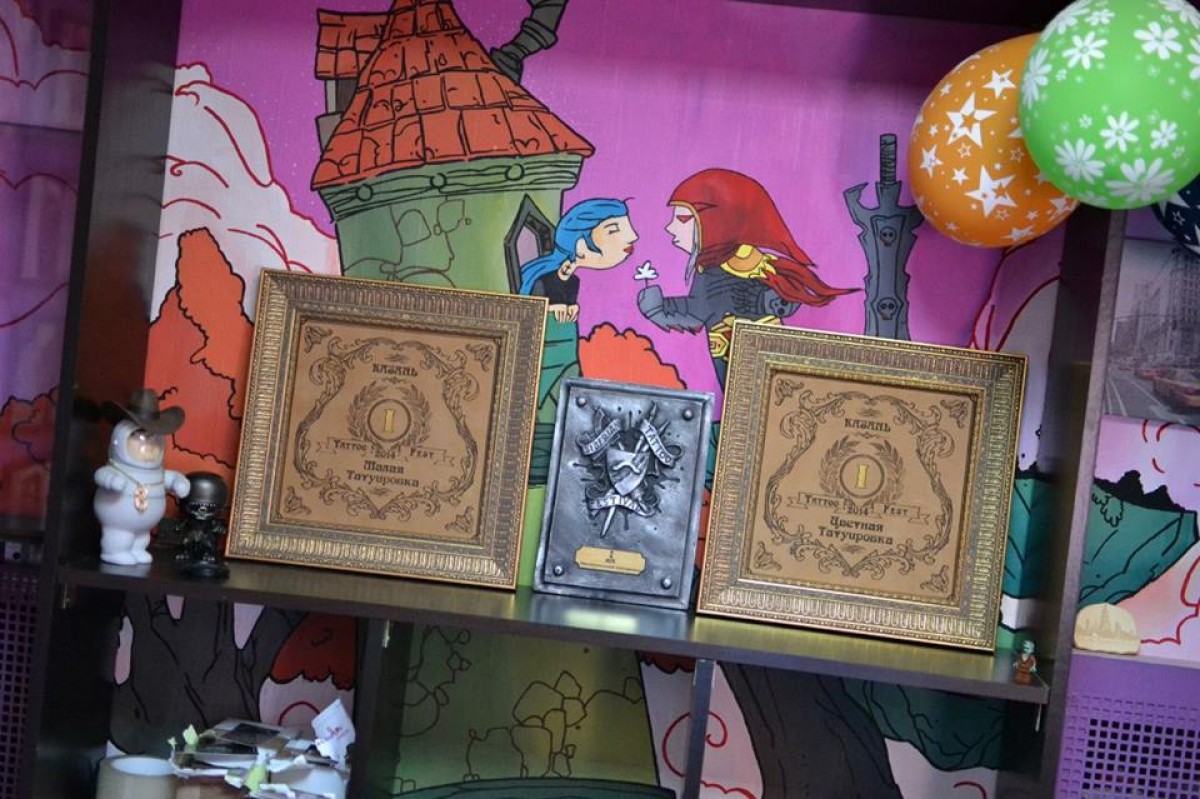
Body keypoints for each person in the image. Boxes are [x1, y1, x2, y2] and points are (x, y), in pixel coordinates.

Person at [637, 168, 853, 383]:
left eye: (683, 219)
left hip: (762, 366)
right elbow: (699, 309)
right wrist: (658, 307)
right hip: (734, 367)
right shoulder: (710, 270)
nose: (670, 228)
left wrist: (657, 307)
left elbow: (699, 310)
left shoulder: (743, 263)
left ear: (715, 220)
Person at [519, 198, 639, 482]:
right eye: (613, 230)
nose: (632, 237)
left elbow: (565, 306)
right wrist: (552, 310)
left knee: (568, 398)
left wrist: (568, 310)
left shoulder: (574, 281)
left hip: (566, 353)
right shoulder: (542, 277)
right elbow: (528, 310)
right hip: (546, 353)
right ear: (581, 245)